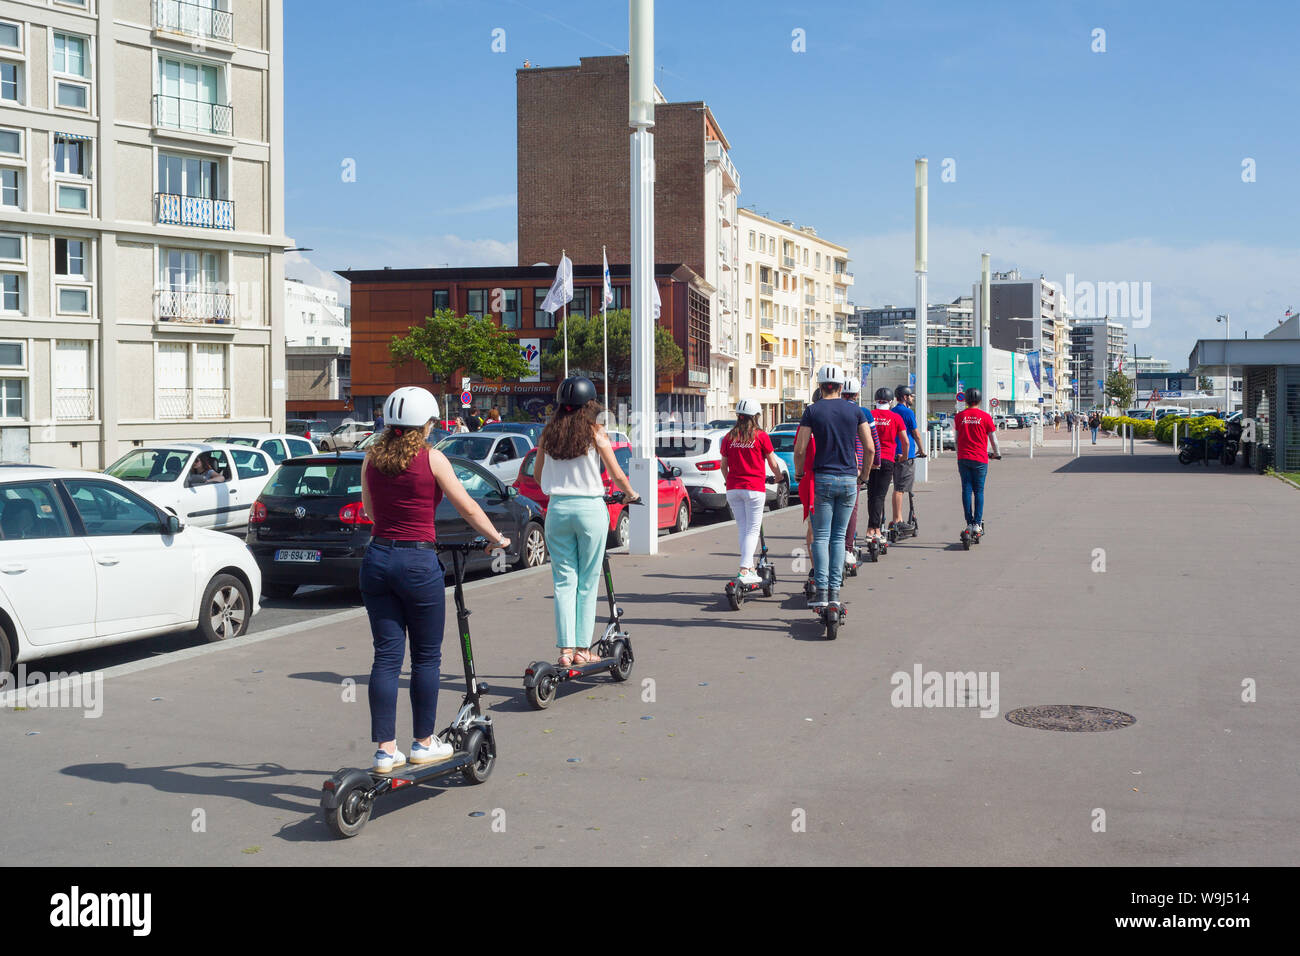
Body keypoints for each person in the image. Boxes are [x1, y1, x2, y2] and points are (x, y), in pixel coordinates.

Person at [360, 387, 512, 773]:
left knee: (386, 657)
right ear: (426, 424)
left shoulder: (371, 458)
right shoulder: (433, 458)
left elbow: (369, 509)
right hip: (417, 562)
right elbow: (468, 506)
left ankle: (384, 751)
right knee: (426, 656)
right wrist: (498, 538)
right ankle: (424, 743)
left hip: (377, 558)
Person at [534, 376, 639, 667]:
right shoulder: (596, 432)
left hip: (557, 510)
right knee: (588, 580)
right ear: (589, 404)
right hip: (590, 509)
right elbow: (616, 473)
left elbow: (537, 476)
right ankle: (583, 648)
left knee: (563, 581)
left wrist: (556, 486)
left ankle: (565, 651)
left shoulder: (548, 434)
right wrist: (631, 494)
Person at [794, 366, 875, 609]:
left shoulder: (812, 411)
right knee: (839, 537)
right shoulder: (856, 411)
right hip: (850, 479)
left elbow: (800, 448)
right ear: (841, 387)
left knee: (820, 537)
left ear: (820, 386)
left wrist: (799, 472)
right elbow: (869, 448)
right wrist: (864, 475)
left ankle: (821, 590)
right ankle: (835, 591)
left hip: (823, 479)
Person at [719, 398, 783, 584]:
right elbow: (772, 463)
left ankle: (750, 567)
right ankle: (745, 569)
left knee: (743, 529)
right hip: (754, 488)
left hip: (733, 489)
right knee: (753, 530)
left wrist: (728, 480)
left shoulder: (729, 437)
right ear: (755, 417)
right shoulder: (761, 436)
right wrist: (778, 477)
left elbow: (724, 466)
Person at [953, 387, 1001, 537]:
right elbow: (993, 439)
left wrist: (958, 452)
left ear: (966, 400)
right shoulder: (985, 417)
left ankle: (968, 522)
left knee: (966, 489)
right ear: (980, 400)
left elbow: (956, 439)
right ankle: (977, 524)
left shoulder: (960, 416)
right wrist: (997, 454)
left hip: (964, 458)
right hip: (980, 458)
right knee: (978, 491)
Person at [839, 378, 876, 569]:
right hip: (855, 467)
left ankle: (832, 549)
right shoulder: (862, 412)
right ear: (857, 394)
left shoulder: (832, 410)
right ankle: (847, 549)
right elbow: (873, 443)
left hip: (831, 466)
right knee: (851, 509)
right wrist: (873, 465)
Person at [866, 388, 906, 547]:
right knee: (880, 496)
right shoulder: (896, 417)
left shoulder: (869, 415)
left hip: (870, 460)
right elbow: (905, 441)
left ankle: (873, 528)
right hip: (888, 459)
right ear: (891, 402)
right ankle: (874, 529)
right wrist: (903, 456)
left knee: (871, 494)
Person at [890, 385, 926, 531]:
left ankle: (896, 518)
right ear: (905, 397)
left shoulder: (892, 411)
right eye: (910, 396)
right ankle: (897, 519)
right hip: (906, 455)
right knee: (900, 489)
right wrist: (922, 450)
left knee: (898, 486)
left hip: (893, 454)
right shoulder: (907, 412)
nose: (911, 398)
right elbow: (916, 433)